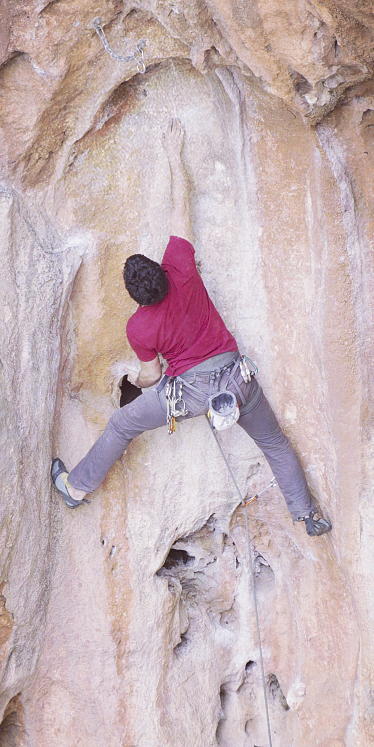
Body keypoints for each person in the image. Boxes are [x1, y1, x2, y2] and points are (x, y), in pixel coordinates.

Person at [51, 121, 332, 537]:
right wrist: (172, 155)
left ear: (135, 296)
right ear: (159, 270)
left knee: (122, 424)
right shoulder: (180, 266)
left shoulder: (139, 326)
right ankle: (307, 515)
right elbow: (181, 208)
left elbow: (152, 376)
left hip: (191, 394)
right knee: (273, 443)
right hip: (237, 379)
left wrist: (133, 378)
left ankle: (76, 488)